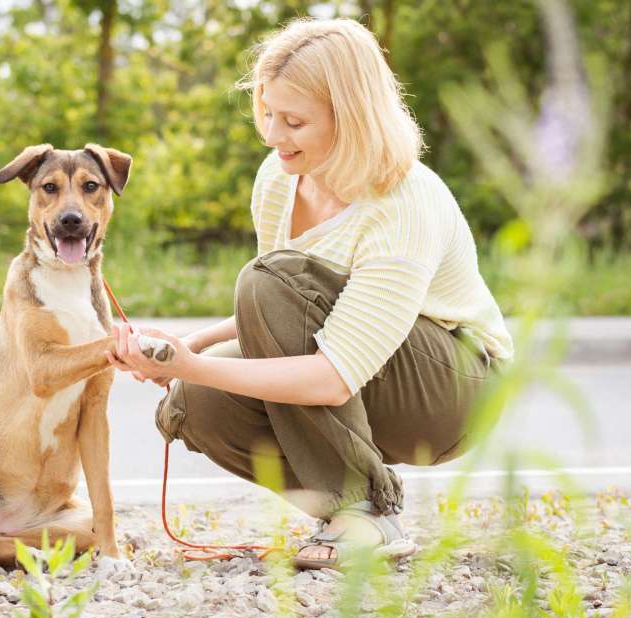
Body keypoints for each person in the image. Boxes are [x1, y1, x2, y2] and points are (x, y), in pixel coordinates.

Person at [105, 17, 513, 570]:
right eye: (267, 114)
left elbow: (327, 369)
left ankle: (366, 511)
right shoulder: (278, 179)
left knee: (252, 298)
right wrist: (182, 352)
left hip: (453, 387)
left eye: (293, 121)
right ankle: (344, 515)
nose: (273, 135)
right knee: (194, 402)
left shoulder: (404, 202)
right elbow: (277, 315)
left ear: (352, 118)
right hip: (367, 361)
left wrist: (192, 363)